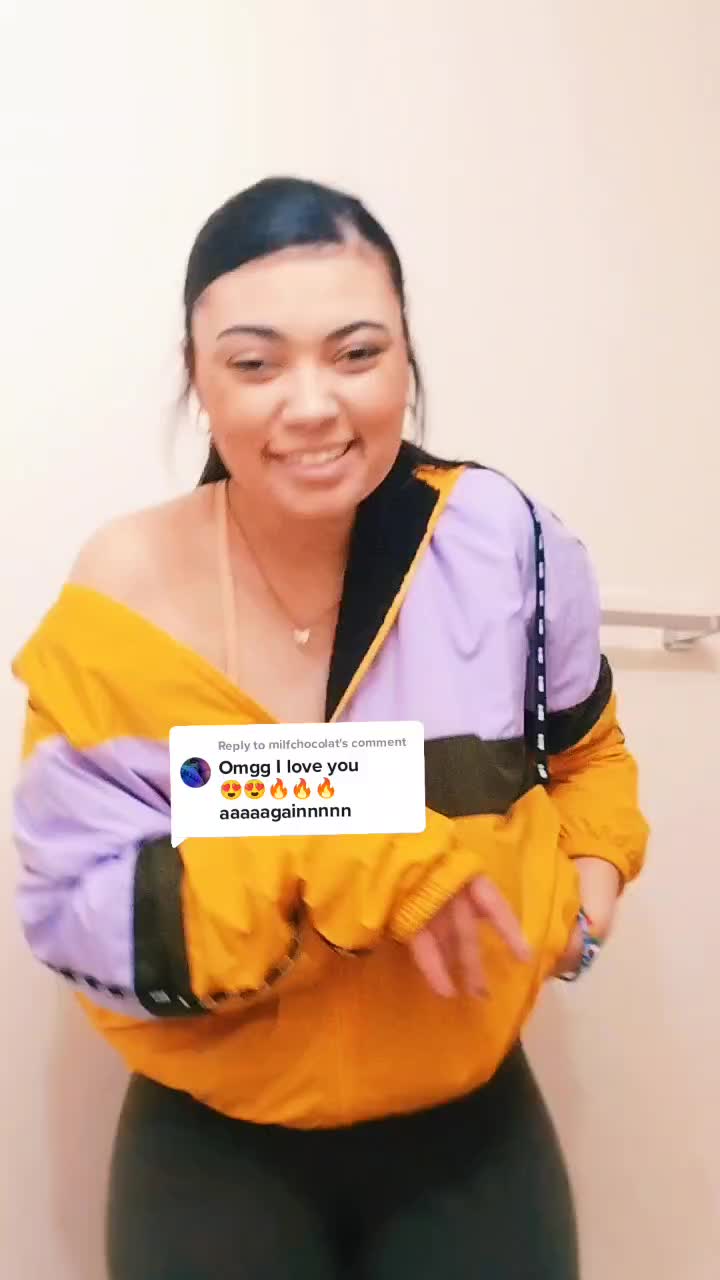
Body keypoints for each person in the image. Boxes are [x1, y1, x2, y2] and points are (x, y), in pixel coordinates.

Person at [11, 176, 649, 1280]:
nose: (312, 405)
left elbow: (586, 752)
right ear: (198, 379)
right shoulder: (127, 589)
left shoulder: (503, 544)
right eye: (255, 364)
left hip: (473, 1126)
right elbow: (75, 904)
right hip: (214, 1146)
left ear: (406, 359)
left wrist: (590, 885)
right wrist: (346, 861)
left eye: (357, 353)